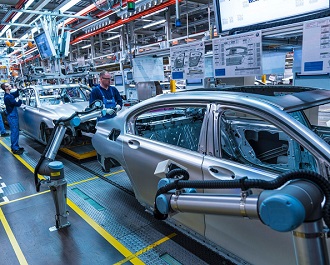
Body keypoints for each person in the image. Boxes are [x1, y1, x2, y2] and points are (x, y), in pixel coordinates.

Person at [1, 82, 24, 155]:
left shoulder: (9, 95)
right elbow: (17, 104)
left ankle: (15, 146)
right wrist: (20, 99)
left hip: (12, 115)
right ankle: (15, 148)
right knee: (14, 132)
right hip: (12, 116)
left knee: (15, 131)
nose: (10, 85)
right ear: (6, 88)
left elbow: (15, 94)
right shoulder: (8, 97)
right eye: (9, 85)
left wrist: (19, 89)